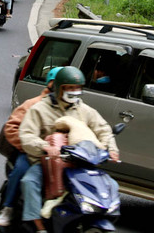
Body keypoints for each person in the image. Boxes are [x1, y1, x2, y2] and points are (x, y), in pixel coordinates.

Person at [18, 66, 120, 233]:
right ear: (59, 88)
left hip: (80, 163)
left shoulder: (84, 110)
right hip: (47, 162)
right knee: (29, 182)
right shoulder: (40, 109)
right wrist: (45, 147)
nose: (74, 91)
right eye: (70, 88)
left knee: (111, 185)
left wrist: (112, 149)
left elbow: (103, 130)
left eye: (78, 88)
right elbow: (27, 135)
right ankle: (37, 224)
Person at [0, 67, 61, 227]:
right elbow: (11, 127)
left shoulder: (69, 107)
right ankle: (8, 207)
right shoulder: (33, 105)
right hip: (31, 153)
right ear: (51, 83)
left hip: (57, 156)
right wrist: (28, 145)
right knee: (21, 171)